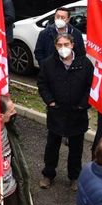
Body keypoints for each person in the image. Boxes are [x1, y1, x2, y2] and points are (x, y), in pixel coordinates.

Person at [38, 33, 93, 191]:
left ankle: (74, 177)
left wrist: (83, 105)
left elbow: (92, 86)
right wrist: (50, 101)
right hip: (57, 112)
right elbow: (42, 84)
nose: (63, 48)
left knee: (76, 149)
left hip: (77, 114)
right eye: (59, 45)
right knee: (52, 146)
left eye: (66, 44)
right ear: (55, 46)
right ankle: (48, 174)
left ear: (73, 44)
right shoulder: (49, 64)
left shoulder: (85, 64)